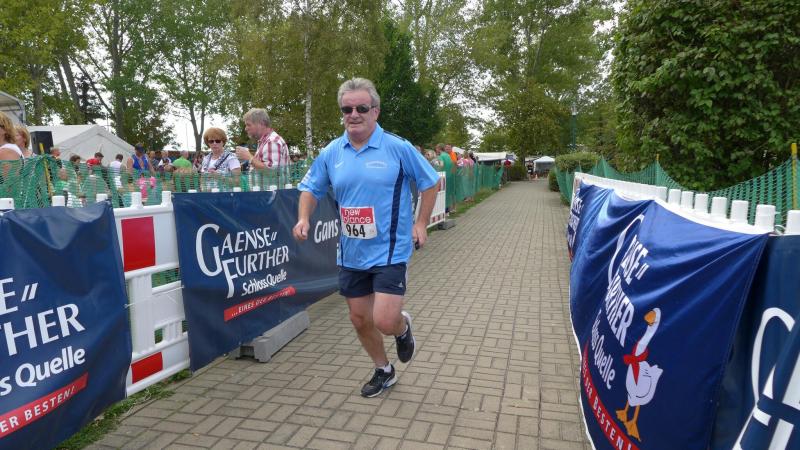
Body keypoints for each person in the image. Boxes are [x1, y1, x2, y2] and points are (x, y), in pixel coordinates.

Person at [294, 78, 440, 398]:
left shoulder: (397, 147)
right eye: (347, 109)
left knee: (384, 320)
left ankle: (401, 327)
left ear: (375, 111)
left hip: (390, 249)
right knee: (360, 319)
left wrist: (421, 223)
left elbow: (430, 182)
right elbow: (310, 188)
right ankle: (383, 369)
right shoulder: (332, 152)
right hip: (351, 252)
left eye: (361, 108)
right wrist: (304, 218)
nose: (354, 114)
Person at [235, 108, 289, 188]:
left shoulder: (271, 141)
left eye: (248, 125)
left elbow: (272, 173)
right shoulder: (265, 141)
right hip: (267, 193)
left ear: (261, 124)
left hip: (272, 194)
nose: (246, 128)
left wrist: (249, 157)